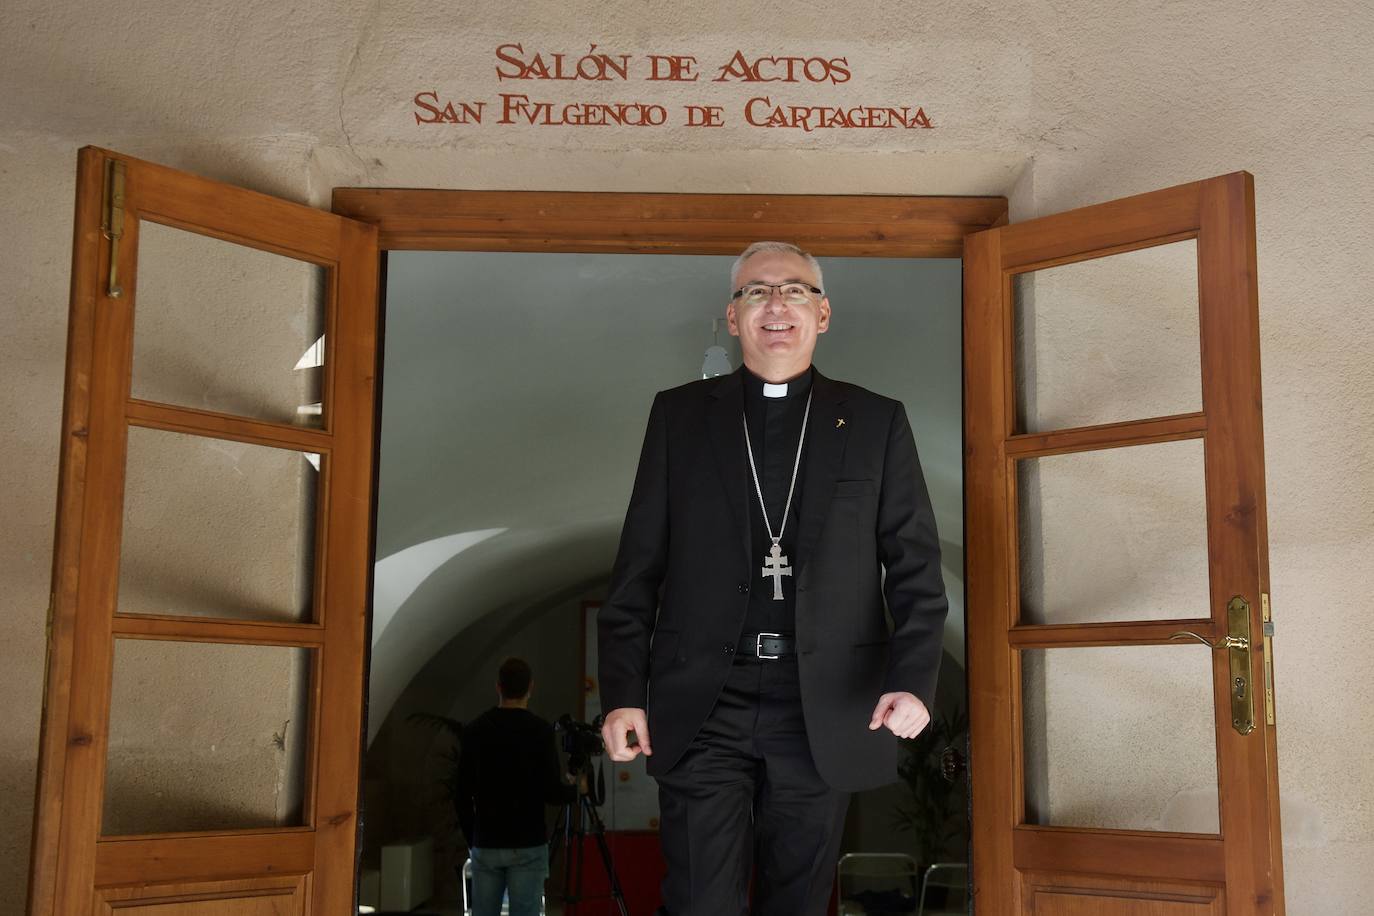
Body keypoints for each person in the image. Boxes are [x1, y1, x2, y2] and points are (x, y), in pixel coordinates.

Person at [597, 241, 949, 916]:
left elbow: (914, 567)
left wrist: (913, 679)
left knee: (798, 901)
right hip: (705, 697)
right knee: (700, 902)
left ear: (823, 313)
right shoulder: (680, 418)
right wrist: (622, 692)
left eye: (795, 290)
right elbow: (638, 567)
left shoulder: (875, 422)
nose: (777, 304)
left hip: (826, 699)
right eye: (756, 292)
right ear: (733, 318)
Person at [456, 657, 578, 916]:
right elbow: (551, 792)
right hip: (527, 841)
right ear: (530, 687)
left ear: (498, 686)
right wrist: (577, 789)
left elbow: (462, 793)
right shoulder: (540, 731)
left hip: (487, 840)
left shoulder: (475, 730)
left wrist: (472, 838)